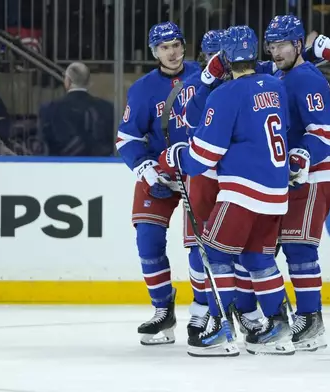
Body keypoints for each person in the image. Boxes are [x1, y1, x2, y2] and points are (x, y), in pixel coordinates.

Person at [159, 25, 294, 357]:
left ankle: (220, 329)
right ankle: (279, 327)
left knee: (217, 255)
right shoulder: (275, 85)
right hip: (276, 192)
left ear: (225, 57)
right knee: (257, 258)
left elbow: (204, 155)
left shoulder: (225, 94)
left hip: (242, 191)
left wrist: (178, 156)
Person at [264, 15, 330, 352]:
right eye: (271, 45)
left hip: (318, 169)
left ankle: (311, 319)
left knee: (299, 244)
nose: (274, 51)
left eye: (281, 44)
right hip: (296, 170)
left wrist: (301, 157)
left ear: (297, 45)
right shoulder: (283, 71)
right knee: (279, 242)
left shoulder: (307, 79)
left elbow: (325, 131)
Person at [116, 21, 200, 345]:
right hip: (161, 168)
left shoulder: (204, 77)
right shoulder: (142, 89)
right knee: (147, 238)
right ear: (155, 52)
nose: (173, 51)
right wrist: (146, 169)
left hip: (198, 169)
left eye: (176, 44)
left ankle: (202, 311)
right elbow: (127, 139)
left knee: (199, 246)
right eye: (165, 47)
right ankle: (163, 311)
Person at [181, 29, 265, 339]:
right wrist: (205, 81)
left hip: (239, 176)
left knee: (243, 248)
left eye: (221, 55)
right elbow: (191, 119)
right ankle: (203, 307)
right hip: (205, 175)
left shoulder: (249, 84)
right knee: (199, 246)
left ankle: (246, 308)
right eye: (210, 56)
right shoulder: (200, 84)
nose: (217, 62)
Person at [39, 62, 114, 156]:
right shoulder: (107, 107)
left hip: (59, 166)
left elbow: (43, 144)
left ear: (68, 81)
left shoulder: (49, 108)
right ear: (88, 83)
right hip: (99, 166)